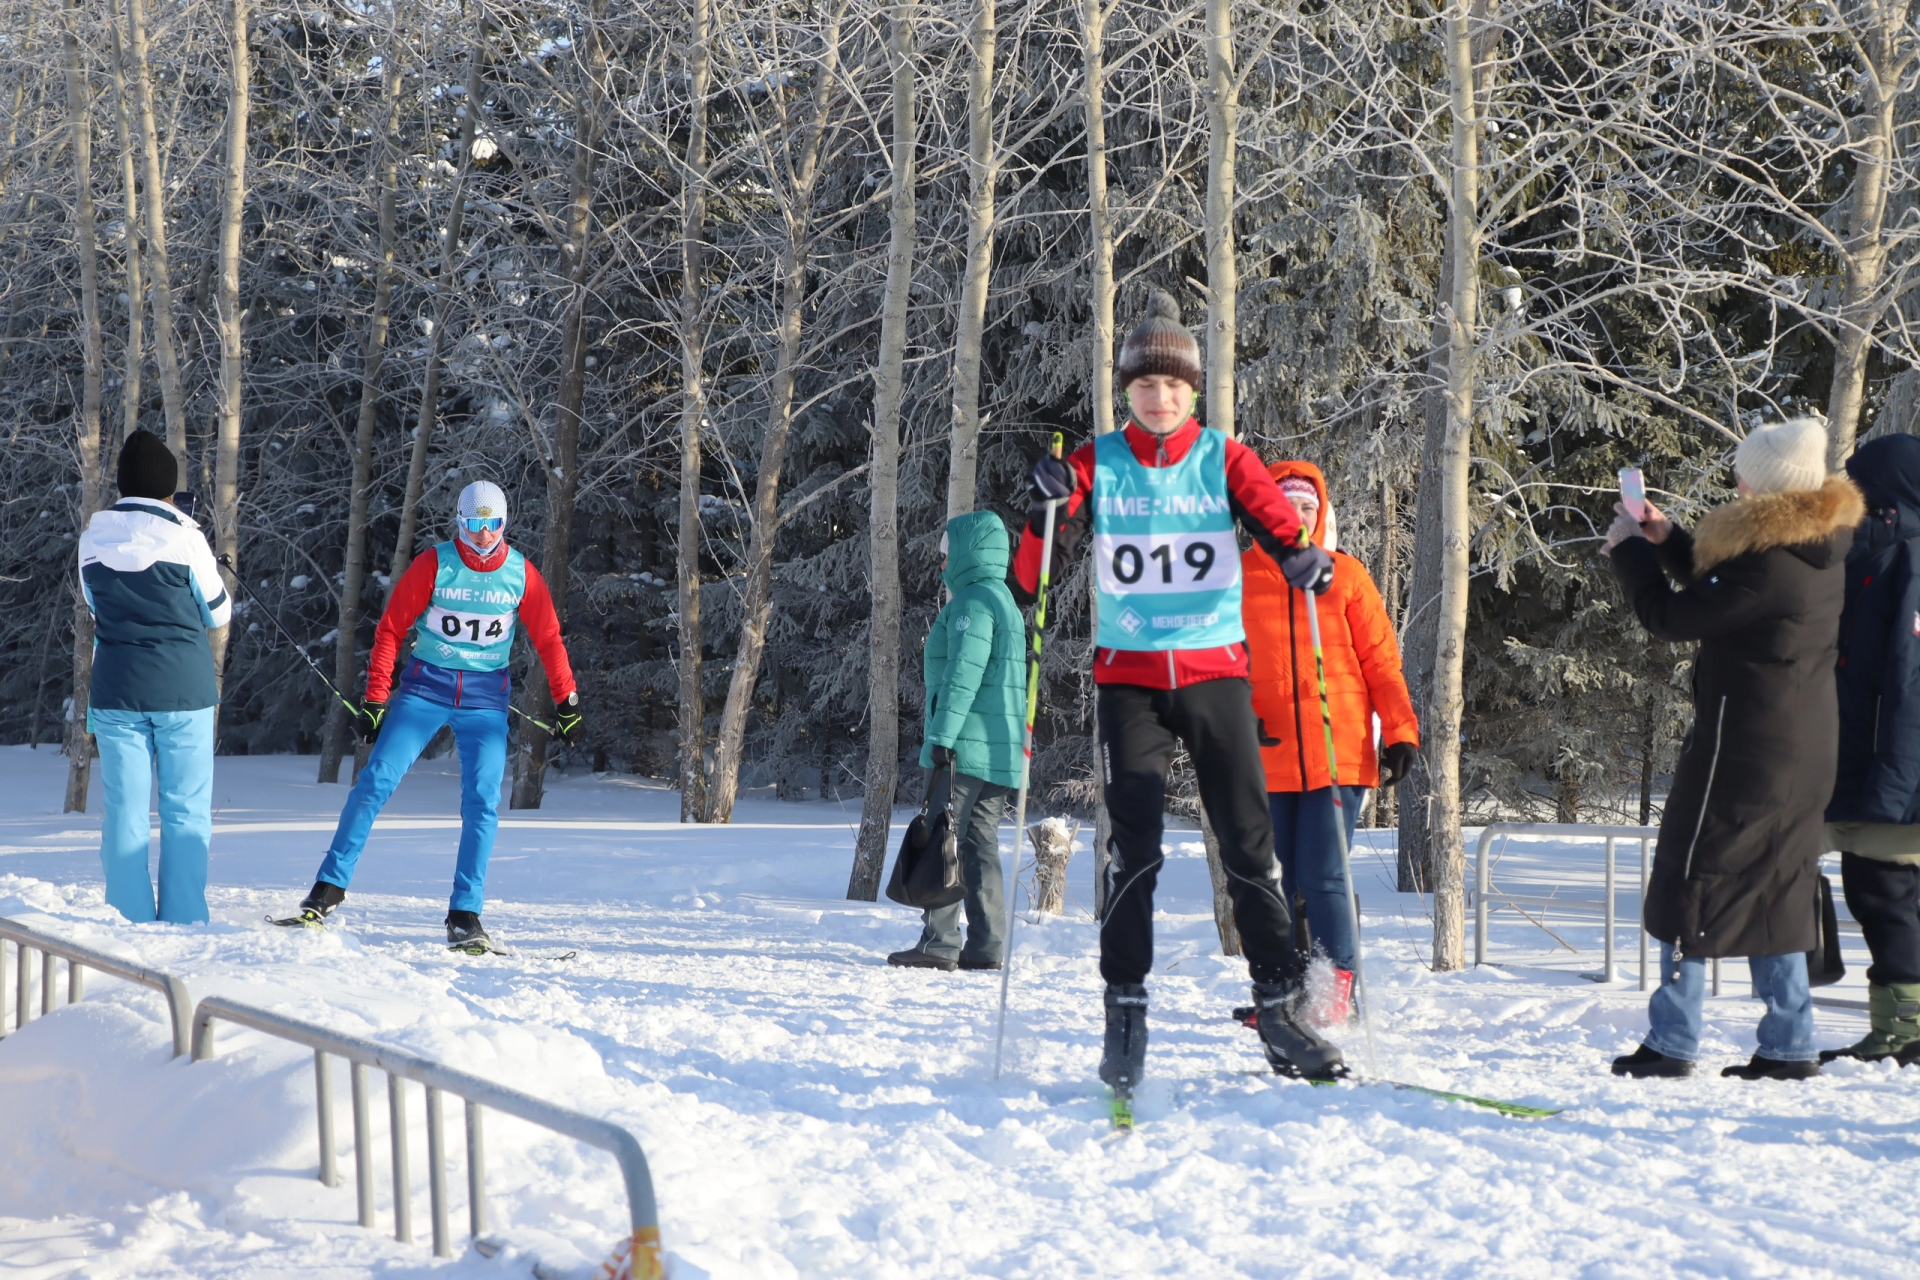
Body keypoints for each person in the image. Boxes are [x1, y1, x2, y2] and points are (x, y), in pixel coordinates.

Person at [1018, 290, 1343, 1090]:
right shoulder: (1096, 461)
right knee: (1133, 852)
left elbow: (1280, 527)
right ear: (1124, 391)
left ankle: (1280, 1013)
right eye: (1142, 385)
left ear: (1193, 391)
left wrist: (1303, 558)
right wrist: (1045, 505)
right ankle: (1123, 1016)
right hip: (1129, 681)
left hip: (1214, 675)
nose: (1158, 399)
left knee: (1248, 850)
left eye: (1172, 386)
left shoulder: (1223, 459)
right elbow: (1032, 578)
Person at [1605, 418, 1862, 1080]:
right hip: (1801, 751)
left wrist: (1629, 551)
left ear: (1770, 489)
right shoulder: (1818, 547)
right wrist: (1668, 540)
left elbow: (1671, 617)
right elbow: (1729, 587)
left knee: (1692, 875)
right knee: (1779, 885)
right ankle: (1790, 1041)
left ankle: (1674, 1039)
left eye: (1746, 473)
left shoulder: (1770, 567)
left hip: (1743, 749)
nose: (1737, 480)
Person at [276, 482, 583, 952]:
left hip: (485, 701)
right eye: (474, 525)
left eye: (492, 525)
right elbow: (392, 629)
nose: (483, 536)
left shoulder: (521, 574)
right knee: (376, 779)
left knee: (482, 800)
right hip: (425, 691)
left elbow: (549, 638)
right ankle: (327, 891)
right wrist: (376, 698)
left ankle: (464, 915)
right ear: (459, 523)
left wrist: (568, 701)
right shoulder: (435, 564)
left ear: (505, 524)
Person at [1240, 460, 1419, 1027]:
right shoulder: (1241, 575)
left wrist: (1400, 732)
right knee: (1279, 880)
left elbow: (1382, 665)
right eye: (1287, 504)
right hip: (1267, 754)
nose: (1298, 515)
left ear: (1321, 517)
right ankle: (1286, 989)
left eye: (1309, 507)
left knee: (1324, 874)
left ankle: (1335, 987)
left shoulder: (1345, 577)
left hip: (1337, 749)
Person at [78, 430, 231, 924]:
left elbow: (93, 604)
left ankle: (129, 917)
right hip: (183, 692)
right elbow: (218, 613)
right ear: (168, 488)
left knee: (123, 811)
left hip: (117, 692)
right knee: (185, 811)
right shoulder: (186, 537)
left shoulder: (91, 540)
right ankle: (185, 917)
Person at [888, 512, 1026, 973]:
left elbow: (962, 678)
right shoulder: (1003, 599)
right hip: (999, 750)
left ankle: (940, 943)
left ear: (966, 551)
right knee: (979, 844)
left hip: (964, 747)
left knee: (944, 838)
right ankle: (986, 946)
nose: (941, 559)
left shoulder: (971, 603)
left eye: (946, 551)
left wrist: (942, 739)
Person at [1823, 433, 1920, 1066]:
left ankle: (1907, 1030)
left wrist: (1891, 785)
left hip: (1892, 771)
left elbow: (1909, 683)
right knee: (1876, 894)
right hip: (1862, 762)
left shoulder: (1906, 558)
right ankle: (1895, 1027)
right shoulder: (1869, 555)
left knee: (1886, 895)